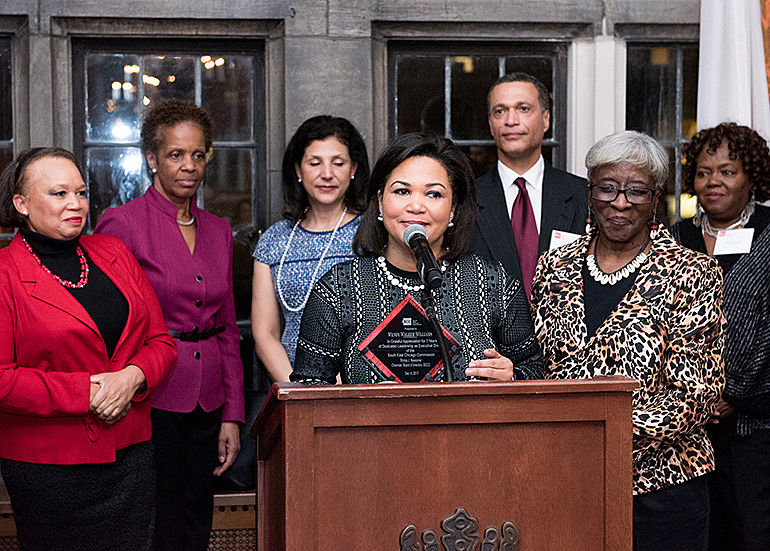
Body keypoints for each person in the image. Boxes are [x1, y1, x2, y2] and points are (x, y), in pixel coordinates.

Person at [531, 131, 725, 551]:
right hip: (566, 481)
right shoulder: (554, 265)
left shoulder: (690, 272)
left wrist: (593, 426)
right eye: (607, 188)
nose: (620, 203)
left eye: (636, 191)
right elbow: (537, 365)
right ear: (589, 192)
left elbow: (695, 397)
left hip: (661, 491)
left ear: (656, 199)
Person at [0, 147, 177, 550]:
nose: (75, 204)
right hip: (49, 467)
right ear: (21, 204)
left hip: (130, 455)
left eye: (80, 192)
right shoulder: (4, 275)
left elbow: (161, 343)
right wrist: (92, 392)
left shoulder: (113, 253)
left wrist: (133, 377)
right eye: (59, 194)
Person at [94, 98, 244, 551]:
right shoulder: (120, 224)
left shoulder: (218, 230)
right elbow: (108, 323)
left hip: (209, 395)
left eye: (198, 155)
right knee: (154, 514)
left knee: (198, 509)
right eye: (176, 155)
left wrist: (233, 415)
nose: (189, 166)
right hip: (150, 395)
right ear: (152, 159)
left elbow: (228, 330)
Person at [290, 132, 543, 384]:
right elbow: (306, 391)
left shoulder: (492, 282)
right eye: (402, 191)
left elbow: (534, 372)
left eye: (433, 194)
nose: (416, 206)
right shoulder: (338, 287)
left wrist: (512, 377)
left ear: (453, 208)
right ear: (380, 201)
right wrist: (361, 404)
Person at [671, 122, 770, 551]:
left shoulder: (768, 232)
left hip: (754, 427)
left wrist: (734, 393)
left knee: (752, 534)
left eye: (727, 171)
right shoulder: (676, 237)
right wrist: (693, 396)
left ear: (751, 176)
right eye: (704, 171)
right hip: (687, 429)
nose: (713, 182)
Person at [251, 116, 369, 381]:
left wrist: (338, 389)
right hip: (292, 390)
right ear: (298, 169)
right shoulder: (274, 240)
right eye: (314, 163)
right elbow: (264, 334)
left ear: (353, 169)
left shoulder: (372, 236)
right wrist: (301, 388)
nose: (326, 174)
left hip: (357, 392)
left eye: (338, 163)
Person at [470, 72, 587, 300]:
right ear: (491, 125)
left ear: (546, 120)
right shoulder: (467, 199)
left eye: (523, 109)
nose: (511, 120)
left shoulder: (583, 195)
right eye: (500, 111)